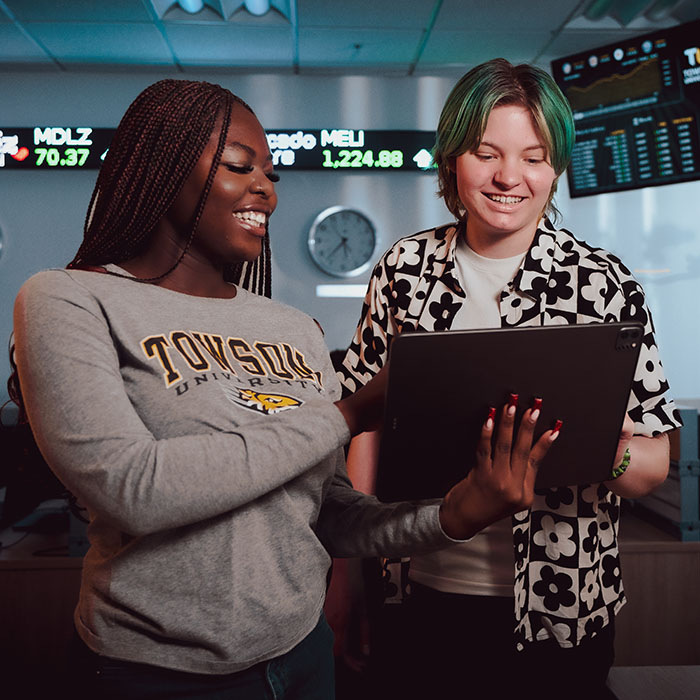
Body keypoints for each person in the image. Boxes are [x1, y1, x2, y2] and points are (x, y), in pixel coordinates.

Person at [9, 78, 558, 700]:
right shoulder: (69, 299)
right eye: (240, 166)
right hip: (152, 676)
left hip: (300, 659)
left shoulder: (292, 329)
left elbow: (330, 515)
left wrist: (459, 513)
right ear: (159, 170)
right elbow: (134, 488)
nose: (266, 190)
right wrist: (350, 413)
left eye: (271, 174)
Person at [338, 58, 682, 699]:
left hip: (562, 607)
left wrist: (590, 443)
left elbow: (652, 464)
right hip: (416, 590)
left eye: (533, 157)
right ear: (452, 158)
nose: (508, 178)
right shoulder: (405, 268)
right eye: (485, 152)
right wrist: (347, 578)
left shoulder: (603, 282)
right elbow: (368, 431)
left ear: (556, 168)